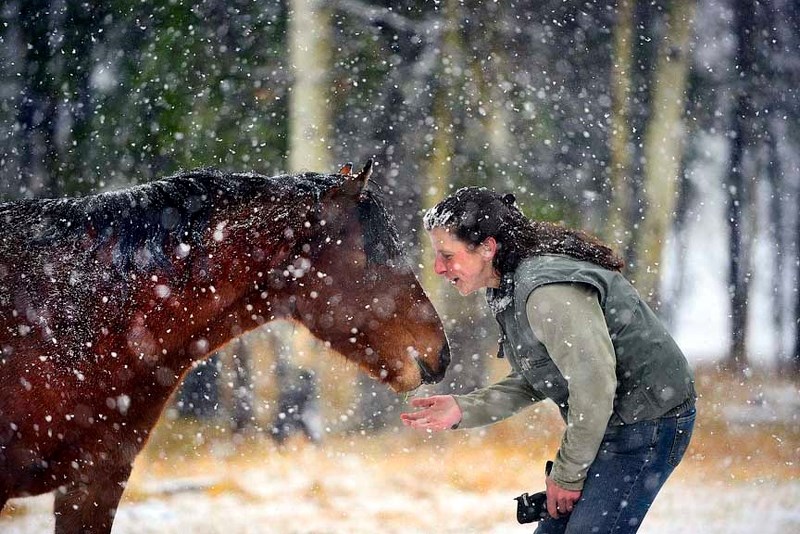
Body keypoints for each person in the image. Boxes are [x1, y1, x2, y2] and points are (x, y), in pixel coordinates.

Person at [400, 187, 696, 534]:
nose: (437, 268)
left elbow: (595, 383)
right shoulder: (507, 287)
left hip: (647, 421)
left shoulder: (545, 293)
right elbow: (541, 374)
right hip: (605, 419)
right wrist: (465, 408)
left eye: (447, 255)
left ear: (487, 248)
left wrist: (568, 475)